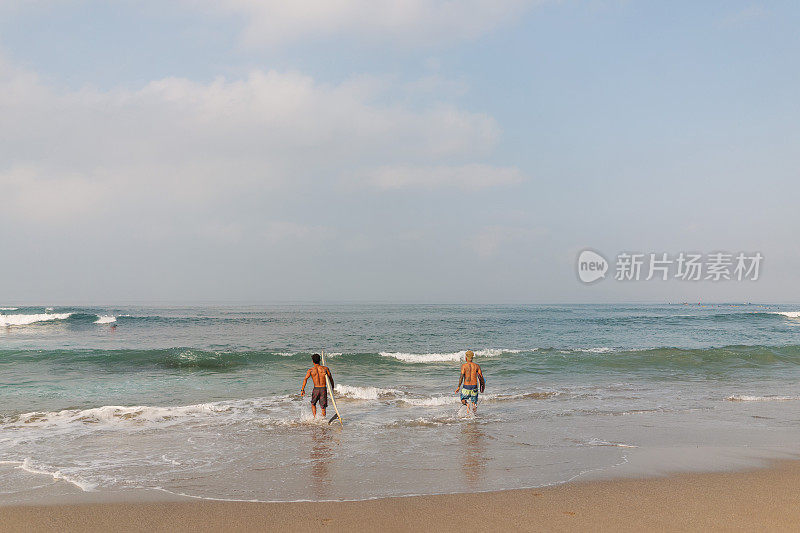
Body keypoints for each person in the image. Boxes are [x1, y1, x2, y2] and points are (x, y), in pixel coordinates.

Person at [300, 353, 334, 418]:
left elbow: (305, 379)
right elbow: (331, 379)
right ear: (320, 360)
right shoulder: (325, 369)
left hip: (316, 389)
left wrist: (302, 389)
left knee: (313, 404)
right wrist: (332, 388)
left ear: (312, 361)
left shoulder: (310, 370)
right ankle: (323, 419)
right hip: (323, 389)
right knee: (323, 407)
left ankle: (315, 418)